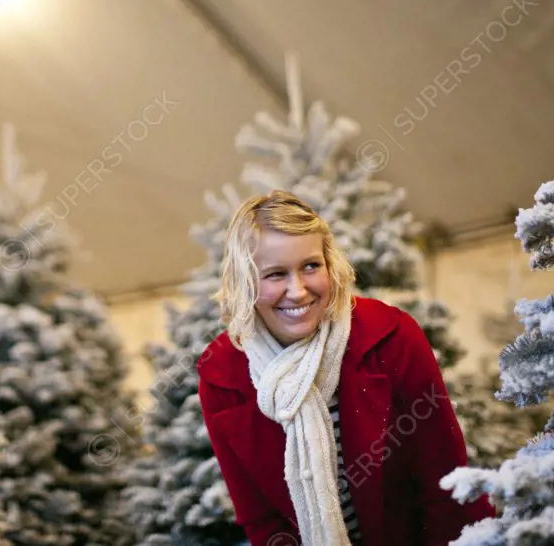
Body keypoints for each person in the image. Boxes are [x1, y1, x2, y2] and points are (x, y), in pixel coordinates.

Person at [197, 190, 496, 546]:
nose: (298, 290)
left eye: (310, 266)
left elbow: (445, 482)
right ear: (244, 281)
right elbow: (260, 519)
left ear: (329, 263)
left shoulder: (391, 337)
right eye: (275, 274)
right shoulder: (221, 376)